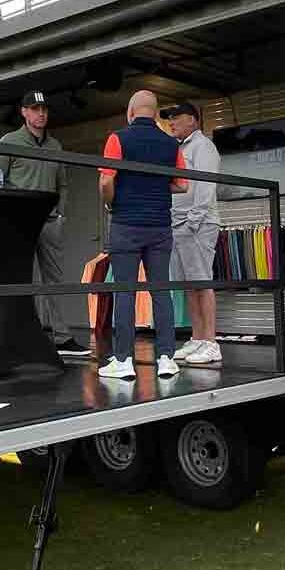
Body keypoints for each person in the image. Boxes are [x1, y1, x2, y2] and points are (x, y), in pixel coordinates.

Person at [0, 90, 91, 355]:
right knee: (16, 278)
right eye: (34, 109)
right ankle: (11, 335)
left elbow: (63, 184)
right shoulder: (9, 141)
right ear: (24, 112)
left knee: (54, 280)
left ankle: (62, 337)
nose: (41, 113)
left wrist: (61, 213)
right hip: (18, 223)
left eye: (44, 109)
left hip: (49, 222)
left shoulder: (55, 146)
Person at [97, 90, 187, 381]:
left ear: (131, 111)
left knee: (125, 291)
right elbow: (182, 185)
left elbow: (106, 180)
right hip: (160, 226)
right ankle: (166, 359)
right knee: (161, 291)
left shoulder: (118, 139)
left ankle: (123, 361)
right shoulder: (171, 144)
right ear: (155, 112)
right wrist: (156, 187)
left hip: (126, 224)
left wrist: (112, 201)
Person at [165, 101, 223, 365]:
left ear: (193, 120)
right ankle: (198, 338)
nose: (171, 122)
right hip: (179, 223)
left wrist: (194, 221)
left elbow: (206, 184)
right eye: (170, 118)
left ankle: (211, 342)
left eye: (176, 118)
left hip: (196, 224)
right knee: (190, 285)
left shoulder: (203, 146)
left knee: (202, 282)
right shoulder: (179, 148)